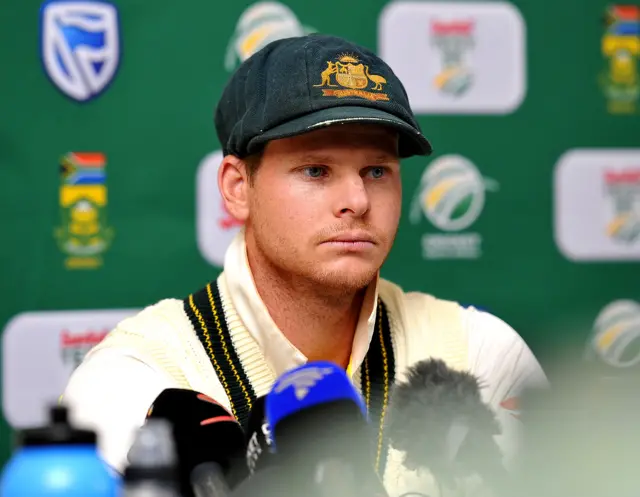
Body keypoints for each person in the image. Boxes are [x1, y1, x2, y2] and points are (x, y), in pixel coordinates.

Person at [62, 33, 547, 495]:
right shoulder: (134, 382)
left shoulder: (480, 356)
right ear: (237, 187)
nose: (357, 200)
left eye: (377, 171)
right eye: (316, 170)